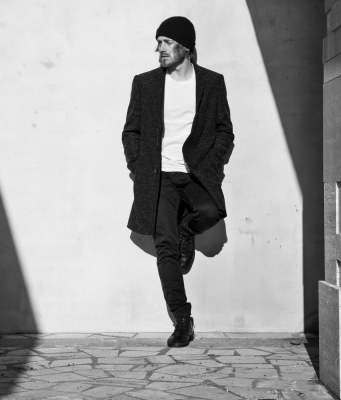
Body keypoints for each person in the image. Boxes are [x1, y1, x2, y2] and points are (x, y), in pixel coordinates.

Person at [121, 16, 234, 347]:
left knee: (210, 212)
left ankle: (186, 232)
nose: (159, 48)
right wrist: (140, 165)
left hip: (196, 173)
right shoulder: (146, 84)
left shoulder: (212, 83)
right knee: (165, 249)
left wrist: (212, 162)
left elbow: (225, 129)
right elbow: (131, 131)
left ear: (186, 47)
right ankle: (182, 321)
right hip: (159, 178)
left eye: (167, 42)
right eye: (158, 42)